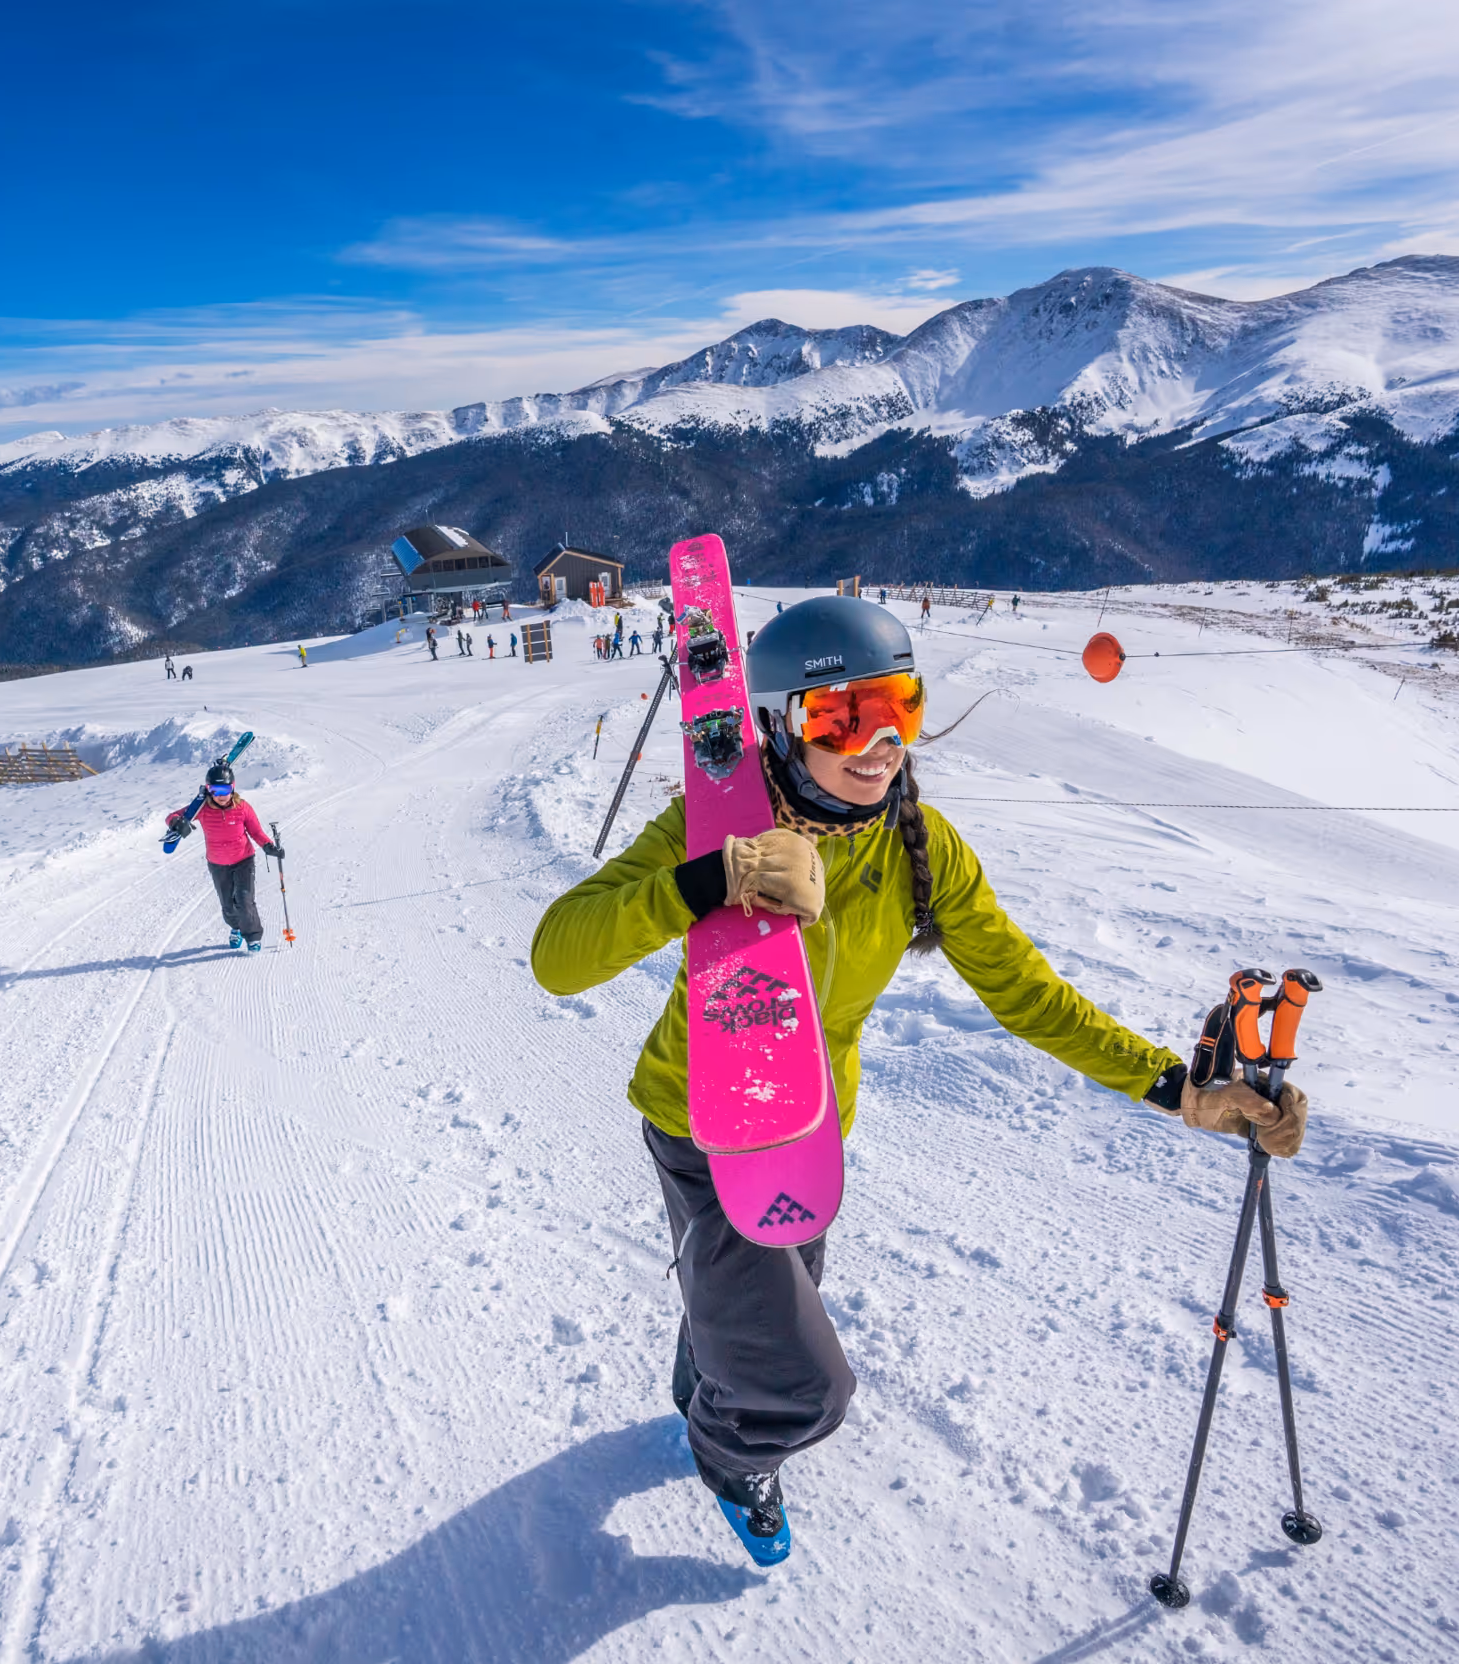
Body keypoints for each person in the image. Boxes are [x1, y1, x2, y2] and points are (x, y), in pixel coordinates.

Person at [528, 596, 1308, 1566]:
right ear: (777, 724)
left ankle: (709, 1370)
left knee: (759, 1304)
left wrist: (1178, 1088)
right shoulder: (711, 827)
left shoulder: (921, 847)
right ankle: (728, 1450)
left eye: (898, 703)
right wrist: (707, 880)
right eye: (839, 716)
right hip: (699, 1125)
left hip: (812, 1133)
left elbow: (1029, 992)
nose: (879, 740)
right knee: (806, 1385)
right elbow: (557, 956)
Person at [166, 762, 284, 952]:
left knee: (245, 900)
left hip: (243, 860)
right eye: (215, 790)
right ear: (208, 790)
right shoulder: (202, 808)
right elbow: (171, 816)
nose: (221, 796)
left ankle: (253, 936)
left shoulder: (242, 807)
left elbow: (256, 832)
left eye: (225, 790)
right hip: (217, 863)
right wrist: (176, 823)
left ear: (233, 788)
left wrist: (268, 846)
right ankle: (235, 927)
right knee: (228, 905)